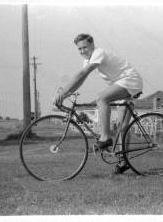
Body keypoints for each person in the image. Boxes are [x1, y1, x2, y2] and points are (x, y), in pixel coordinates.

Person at [53, 33, 143, 174]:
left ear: (92, 45)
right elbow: (80, 80)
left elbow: (82, 73)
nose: (82, 51)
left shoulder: (98, 52)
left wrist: (63, 92)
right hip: (120, 83)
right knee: (122, 127)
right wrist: (67, 94)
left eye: (85, 48)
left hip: (129, 80)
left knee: (101, 99)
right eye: (79, 49)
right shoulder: (88, 60)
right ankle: (123, 162)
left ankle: (105, 137)